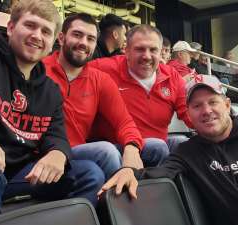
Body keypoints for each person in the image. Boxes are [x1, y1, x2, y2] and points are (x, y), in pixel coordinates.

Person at [0, 1, 105, 224]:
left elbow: (56, 135)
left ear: (53, 42)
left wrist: (58, 153)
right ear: (10, 28)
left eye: (46, 31)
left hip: (18, 174)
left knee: (90, 174)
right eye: (30, 25)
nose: (37, 35)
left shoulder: (50, 90)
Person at [100, 75, 238, 225]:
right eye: (197, 106)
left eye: (213, 102)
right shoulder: (188, 152)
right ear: (188, 113)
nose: (206, 111)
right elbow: (157, 172)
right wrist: (128, 171)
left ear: (227, 105)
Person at [43, 13, 158, 180]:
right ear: (61, 38)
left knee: (157, 147)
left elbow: (124, 122)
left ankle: (149, 198)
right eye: (77, 35)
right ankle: (118, 204)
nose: (83, 43)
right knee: (106, 151)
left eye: (90, 38)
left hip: (80, 150)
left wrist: (132, 147)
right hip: (48, 151)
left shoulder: (100, 79)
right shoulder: (40, 70)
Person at [89, 25, 192, 155]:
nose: (147, 56)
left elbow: (189, 113)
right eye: (139, 49)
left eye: (153, 50)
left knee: (183, 143)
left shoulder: (172, 77)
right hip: (117, 149)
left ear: (161, 53)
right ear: (126, 51)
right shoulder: (102, 68)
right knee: (157, 146)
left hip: (158, 150)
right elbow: (69, 73)